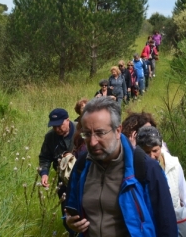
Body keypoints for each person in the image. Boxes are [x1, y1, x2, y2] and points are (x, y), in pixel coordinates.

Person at [64, 97, 177, 237]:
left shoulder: (145, 168)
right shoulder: (82, 166)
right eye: (87, 134)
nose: (92, 142)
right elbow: (70, 210)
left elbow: (167, 225)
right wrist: (70, 223)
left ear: (118, 131)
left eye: (100, 133)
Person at [136, 126, 186, 237]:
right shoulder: (138, 171)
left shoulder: (174, 165)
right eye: (146, 152)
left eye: (155, 151)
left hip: (175, 225)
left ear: (161, 147)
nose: (151, 156)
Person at [38, 108, 77, 235]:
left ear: (67, 120)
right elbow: (45, 157)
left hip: (84, 178)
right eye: (54, 126)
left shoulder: (81, 130)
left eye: (59, 125)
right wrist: (44, 173)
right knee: (67, 215)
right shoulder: (50, 137)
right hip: (63, 181)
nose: (56, 129)